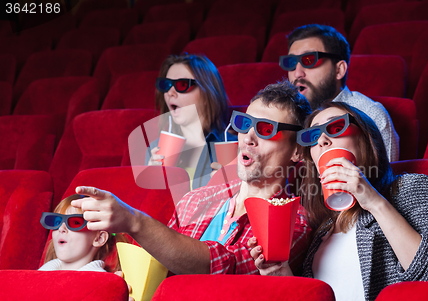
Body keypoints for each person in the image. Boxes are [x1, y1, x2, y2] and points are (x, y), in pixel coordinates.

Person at [249, 102, 428, 301]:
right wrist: (279, 272)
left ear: (367, 140)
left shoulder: (409, 188)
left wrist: (372, 200)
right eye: (313, 135)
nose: (322, 141)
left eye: (336, 127)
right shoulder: (322, 229)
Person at [71, 80, 312, 275]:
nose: (248, 137)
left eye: (266, 129)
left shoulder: (294, 220)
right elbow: (160, 266)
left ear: (297, 151)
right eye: (243, 123)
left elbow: (229, 267)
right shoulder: (195, 200)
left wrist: (135, 221)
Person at [280, 24, 400, 162]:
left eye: (309, 60)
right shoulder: (283, 117)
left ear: (339, 70)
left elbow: (384, 181)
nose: (297, 73)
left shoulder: (371, 115)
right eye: (291, 62)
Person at [147, 53, 237, 189]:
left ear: (207, 94)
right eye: (166, 85)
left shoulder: (234, 148)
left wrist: (234, 184)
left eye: (182, 85)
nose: (170, 92)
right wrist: (151, 181)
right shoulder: (155, 150)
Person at [39, 194, 126, 272]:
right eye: (57, 222)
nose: (61, 229)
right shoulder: (38, 276)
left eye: (76, 223)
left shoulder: (102, 282)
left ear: (99, 238)